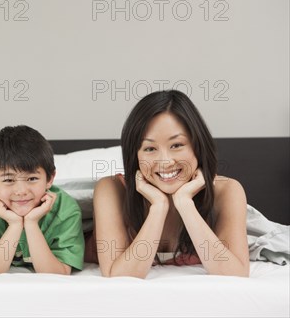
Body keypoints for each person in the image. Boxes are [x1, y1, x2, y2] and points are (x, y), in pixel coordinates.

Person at [86, 90, 249, 278]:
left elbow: (236, 274)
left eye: (176, 145)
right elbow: (118, 275)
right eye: (149, 148)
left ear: (198, 145)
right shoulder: (112, 190)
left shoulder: (227, 190)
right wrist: (158, 207)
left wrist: (185, 204)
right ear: (135, 155)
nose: (165, 162)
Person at [0, 125, 84, 274]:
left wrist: (31, 223)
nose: (21, 191)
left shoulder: (66, 209)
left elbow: (57, 274)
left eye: (32, 178)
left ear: (49, 179)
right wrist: (14, 225)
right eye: (8, 180)